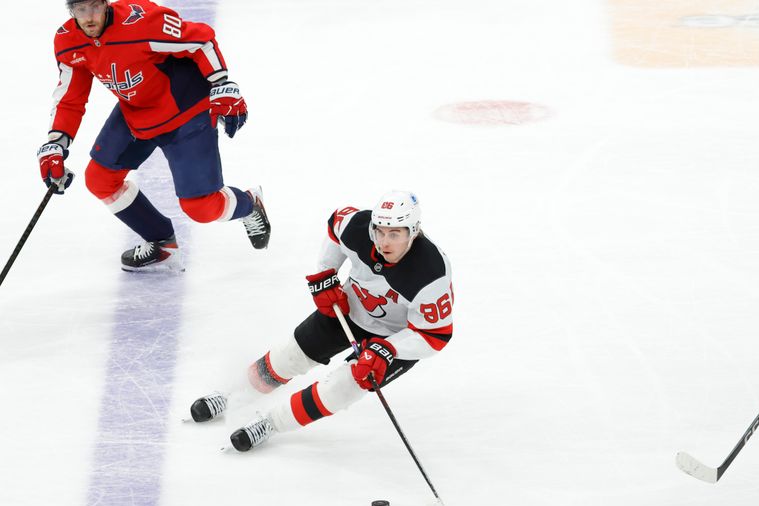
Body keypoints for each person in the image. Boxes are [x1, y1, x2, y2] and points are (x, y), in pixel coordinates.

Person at [189, 191, 454, 452]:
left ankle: (271, 423)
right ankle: (232, 394)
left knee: (341, 389)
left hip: (394, 340)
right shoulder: (359, 229)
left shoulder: (430, 273)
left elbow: (435, 335)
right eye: (380, 232)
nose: (384, 242)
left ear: (414, 231)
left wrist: (389, 349)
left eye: (395, 234)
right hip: (349, 310)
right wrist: (325, 274)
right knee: (288, 356)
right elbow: (336, 227)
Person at [37, 0, 271, 272]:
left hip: (186, 113)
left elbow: (200, 41)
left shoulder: (142, 22)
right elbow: (70, 98)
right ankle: (163, 244)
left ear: (105, 4)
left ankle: (250, 204)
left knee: (202, 208)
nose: (89, 18)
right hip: (136, 112)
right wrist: (56, 143)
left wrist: (222, 83)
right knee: (100, 180)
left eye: (94, 7)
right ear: (70, 11)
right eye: (80, 10)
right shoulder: (68, 41)